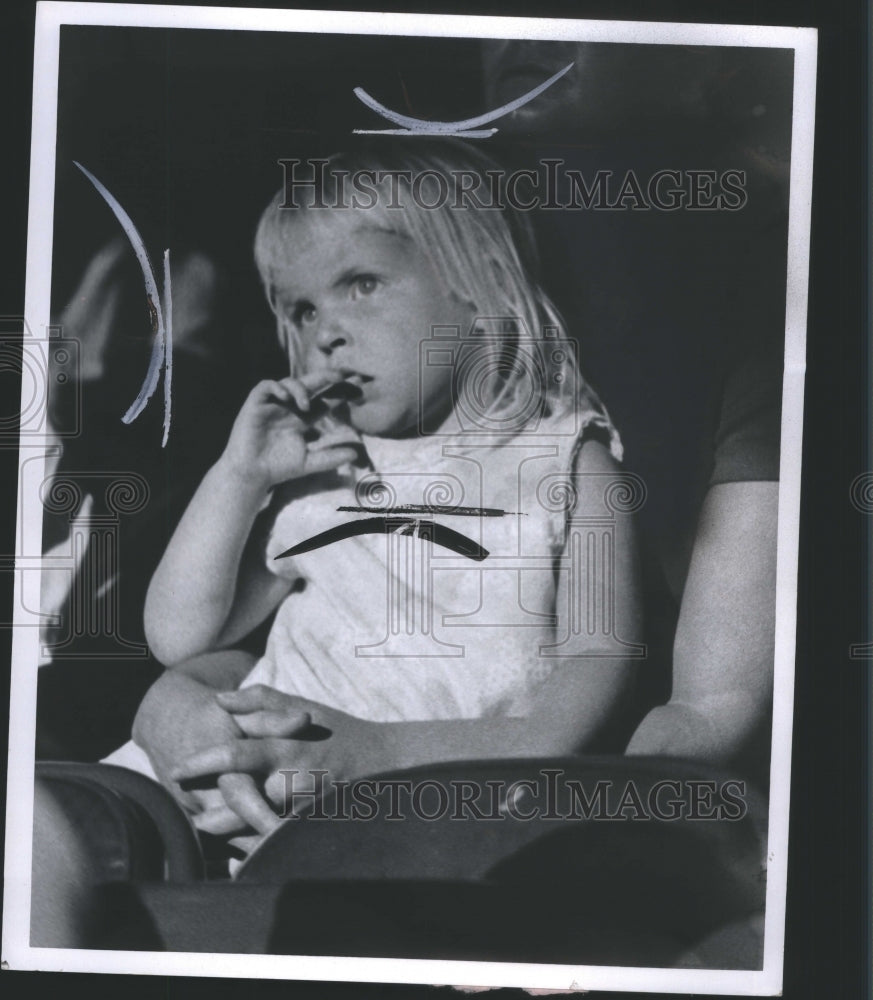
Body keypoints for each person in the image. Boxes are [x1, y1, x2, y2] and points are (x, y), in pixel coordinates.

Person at [125, 139, 644, 855]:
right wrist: (237, 479)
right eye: (301, 310)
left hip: (431, 800)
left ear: (482, 285)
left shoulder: (566, 460)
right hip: (235, 790)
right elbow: (179, 638)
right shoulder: (322, 471)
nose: (327, 332)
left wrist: (381, 754)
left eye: (362, 283)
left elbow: (597, 665)